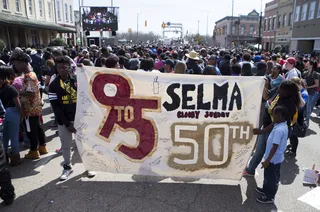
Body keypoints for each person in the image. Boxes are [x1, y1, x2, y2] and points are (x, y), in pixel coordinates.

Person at [48, 57, 95, 180]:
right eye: (59, 67)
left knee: (83, 144)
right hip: (64, 120)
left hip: (79, 118)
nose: (62, 70)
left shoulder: (77, 80)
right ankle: (67, 167)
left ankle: (88, 166)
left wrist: (85, 71)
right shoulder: (53, 85)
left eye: (65, 67)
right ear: (56, 68)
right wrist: (67, 123)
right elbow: (55, 107)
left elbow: (88, 92)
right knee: (66, 145)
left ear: (69, 67)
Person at [244, 80, 304, 176]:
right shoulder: (279, 93)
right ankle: (251, 170)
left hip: (273, 131)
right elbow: (266, 97)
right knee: (259, 151)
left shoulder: (289, 104)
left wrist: (262, 131)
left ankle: (269, 185)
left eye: (281, 89)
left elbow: (276, 121)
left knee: (270, 156)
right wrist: (265, 86)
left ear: (288, 92)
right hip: (267, 127)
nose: (278, 90)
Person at [10, 51, 47, 159]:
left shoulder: (29, 76)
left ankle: (34, 150)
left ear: (22, 62)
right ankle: (42, 146)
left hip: (30, 108)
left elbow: (30, 93)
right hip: (34, 107)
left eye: (16, 63)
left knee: (31, 130)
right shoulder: (31, 74)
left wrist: (18, 92)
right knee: (38, 127)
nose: (15, 66)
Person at [255, 105, 288, 204]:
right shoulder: (281, 124)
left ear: (279, 115)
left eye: (274, 114)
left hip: (273, 159)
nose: (272, 116)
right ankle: (265, 189)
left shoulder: (279, 130)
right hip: (275, 159)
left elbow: (275, 147)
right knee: (268, 176)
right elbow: (271, 125)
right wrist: (261, 131)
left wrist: (267, 161)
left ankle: (269, 196)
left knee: (271, 178)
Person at [0, 67, 24, 166]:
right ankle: (15, 158)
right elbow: (18, 104)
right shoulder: (11, 88)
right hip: (13, 113)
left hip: (2, 115)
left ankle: (4, 158)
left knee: (4, 137)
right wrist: (22, 114)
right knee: (14, 136)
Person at [286, 77, 308, 156]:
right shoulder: (295, 91)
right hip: (292, 116)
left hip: (298, 117)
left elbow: (301, 105)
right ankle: (291, 144)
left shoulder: (304, 93)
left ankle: (293, 151)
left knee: (294, 135)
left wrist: (299, 94)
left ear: (298, 84)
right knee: (291, 133)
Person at [303, 60, 319, 125]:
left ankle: (307, 121)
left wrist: (308, 87)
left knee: (308, 106)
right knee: (304, 105)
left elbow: (317, 84)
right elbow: (303, 80)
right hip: (305, 91)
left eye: (308, 63)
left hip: (311, 92)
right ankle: (304, 118)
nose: (306, 64)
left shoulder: (315, 74)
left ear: (311, 65)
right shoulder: (305, 72)